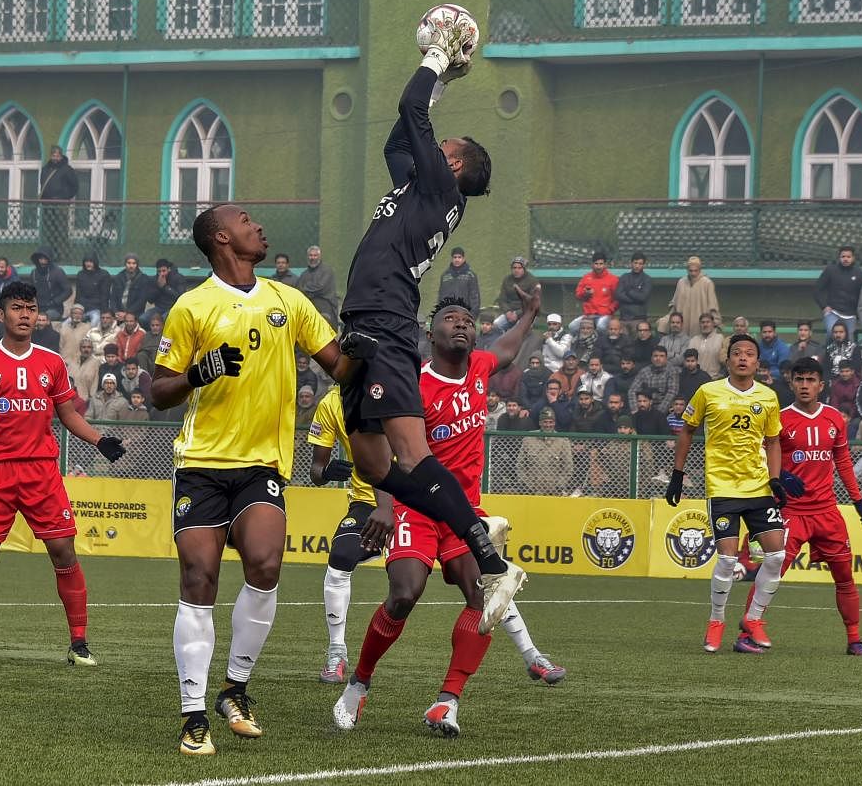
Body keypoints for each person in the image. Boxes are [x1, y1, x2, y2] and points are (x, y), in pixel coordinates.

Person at [150, 203, 360, 756]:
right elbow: (159, 391)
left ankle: (234, 689)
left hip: (262, 465)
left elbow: (341, 366)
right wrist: (200, 371)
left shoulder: (288, 300)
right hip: (201, 464)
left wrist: (373, 338)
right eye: (246, 221)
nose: (259, 227)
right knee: (200, 577)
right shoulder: (191, 307)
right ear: (222, 237)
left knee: (266, 565)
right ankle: (193, 713)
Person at [336, 47, 525, 638]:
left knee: (414, 458)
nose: (434, 147)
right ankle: (476, 529)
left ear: (455, 164)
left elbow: (409, 107)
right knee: (371, 462)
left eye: (444, 147)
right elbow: (399, 142)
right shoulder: (423, 188)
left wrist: (436, 60)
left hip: (388, 323)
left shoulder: (442, 187)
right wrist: (435, 93)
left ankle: (486, 556)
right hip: (367, 324)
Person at [333, 294, 564, 736]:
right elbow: (382, 451)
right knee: (405, 592)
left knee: (483, 601)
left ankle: (446, 701)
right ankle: (358, 684)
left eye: (468, 321)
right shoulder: (413, 384)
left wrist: (532, 312)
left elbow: (509, 347)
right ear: (429, 332)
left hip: (464, 511)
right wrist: (383, 506)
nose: (461, 325)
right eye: (450, 319)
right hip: (415, 506)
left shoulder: (480, 367)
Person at [0, 280, 125, 665]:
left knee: (63, 551)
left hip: (41, 473)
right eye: (17, 308)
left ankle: (79, 643)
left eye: (30, 309)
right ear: (1, 314)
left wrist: (99, 440)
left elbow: (67, 415)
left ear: (38, 315)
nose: (25, 315)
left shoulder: (51, 362)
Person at [733, 358, 862, 656]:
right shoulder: (779, 418)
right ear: (792, 383)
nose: (805, 385)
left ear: (821, 385)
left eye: (811, 380)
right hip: (791, 512)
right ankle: (746, 633)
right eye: (799, 379)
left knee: (845, 576)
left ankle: (854, 639)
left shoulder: (835, 418)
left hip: (827, 512)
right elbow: (757, 456)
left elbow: (844, 462)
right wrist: (781, 476)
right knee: (771, 571)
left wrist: (859, 500)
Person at [665, 333, 789, 653]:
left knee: (776, 555)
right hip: (722, 487)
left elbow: (773, 440)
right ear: (728, 360)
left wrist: (775, 480)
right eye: (737, 353)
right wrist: (677, 476)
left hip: (759, 487)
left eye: (749, 354)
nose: (743, 358)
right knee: (727, 559)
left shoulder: (769, 397)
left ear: (758, 363)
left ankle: (754, 618)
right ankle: (716, 620)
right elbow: (687, 430)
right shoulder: (708, 392)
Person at [307, 385, 392, 684]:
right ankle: (337, 652)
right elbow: (316, 471)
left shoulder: (401, 387)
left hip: (414, 500)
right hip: (366, 503)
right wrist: (327, 472)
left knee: (467, 566)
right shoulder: (331, 402)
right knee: (340, 558)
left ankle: (530, 651)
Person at [813, 245, 862, 337]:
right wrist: (824, 306)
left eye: (848, 257)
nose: (845, 259)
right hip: (833, 312)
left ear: (853, 258)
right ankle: (829, 352)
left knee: (848, 339)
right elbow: (818, 289)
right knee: (831, 333)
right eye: (843, 256)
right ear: (839, 258)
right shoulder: (830, 270)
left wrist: (858, 313)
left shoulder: (859, 273)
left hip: (850, 314)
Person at [38, 144, 78, 260]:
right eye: (53, 155)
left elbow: (75, 186)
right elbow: (42, 184)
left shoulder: (67, 170)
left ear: (61, 156)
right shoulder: (45, 169)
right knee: (49, 230)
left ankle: (63, 254)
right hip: (48, 205)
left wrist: (65, 197)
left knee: (61, 230)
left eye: (57, 155)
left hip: (61, 205)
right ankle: (50, 254)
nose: (55, 157)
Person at [666, 256, 720, 337]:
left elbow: (713, 305)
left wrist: (716, 321)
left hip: (699, 324)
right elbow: (675, 303)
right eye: (691, 271)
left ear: (700, 270)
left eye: (695, 271)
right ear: (687, 270)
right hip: (683, 323)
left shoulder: (707, 283)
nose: (693, 273)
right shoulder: (681, 282)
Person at [571, 251, 618, 334]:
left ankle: (602, 346)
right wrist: (585, 294)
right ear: (592, 264)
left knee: (601, 326)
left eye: (601, 264)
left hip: (605, 315)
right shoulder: (586, 278)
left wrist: (609, 310)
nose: (599, 266)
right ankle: (581, 345)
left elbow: (618, 299)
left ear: (605, 264)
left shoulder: (613, 279)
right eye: (596, 264)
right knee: (572, 326)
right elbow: (578, 295)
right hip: (588, 315)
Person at [296, 245, 340, 330]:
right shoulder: (304, 274)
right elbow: (298, 289)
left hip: (326, 307)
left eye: (315, 255)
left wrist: (306, 289)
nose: (313, 258)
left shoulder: (327, 270)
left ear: (319, 256)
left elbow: (320, 287)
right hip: (308, 308)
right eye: (310, 255)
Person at [492, 256, 540, 332]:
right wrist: (507, 312)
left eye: (519, 268)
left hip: (527, 313)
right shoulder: (507, 280)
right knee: (495, 325)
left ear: (524, 268)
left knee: (519, 329)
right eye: (514, 268)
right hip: (510, 312)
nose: (516, 270)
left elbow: (532, 303)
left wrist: (517, 313)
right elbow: (502, 299)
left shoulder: (532, 281)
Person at [628, 345, 678, 414]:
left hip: (663, 410)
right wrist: (635, 410)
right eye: (655, 356)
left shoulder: (671, 371)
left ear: (666, 358)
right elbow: (632, 391)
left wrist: (658, 413)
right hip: (645, 407)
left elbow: (672, 393)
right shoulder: (644, 371)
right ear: (651, 358)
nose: (658, 358)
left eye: (661, 356)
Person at [29, 249, 72, 321]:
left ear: (49, 259)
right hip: (38, 307)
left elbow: (68, 290)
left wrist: (55, 301)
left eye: (45, 259)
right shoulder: (34, 273)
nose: (42, 261)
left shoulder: (57, 272)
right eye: (40, 259)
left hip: (54, 308)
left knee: (41, 319)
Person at [437, 246, 480, 318]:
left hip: (465, 314)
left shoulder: (471, 276)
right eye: (455, 257)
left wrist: (472, 315)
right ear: (452, 259)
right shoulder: (445, 276)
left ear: (463, 258)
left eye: (459, 257)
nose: (457, 260)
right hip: (449, 314)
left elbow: (475, 297)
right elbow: (441, 297)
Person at [615, 252, 653, 333]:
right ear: (631, 263)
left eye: (640, 263)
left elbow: (643, 298)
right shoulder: (624, 277)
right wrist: (635, 298)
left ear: (643, 265)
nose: (637, 266)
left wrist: (628, 291)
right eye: (635, 263)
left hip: (639, 319)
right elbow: (618, 295)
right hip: (623, 319)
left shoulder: (647, 279)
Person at [74, 255, 112, 326]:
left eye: (91, 262)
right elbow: (78, 295)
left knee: (95, 321)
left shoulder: (104, 275)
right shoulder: (80, 274)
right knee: (66, 323)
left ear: (95, 262)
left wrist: (104, 313)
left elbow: (105, 296)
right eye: (86, 261)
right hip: (82, 308)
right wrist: (75, 308)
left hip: (96, 309)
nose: (88, 264)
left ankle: (90, 337)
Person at [687, 313, 724, 378]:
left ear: (713, 324)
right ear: (700, 325)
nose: (705, 324)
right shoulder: (693, 340)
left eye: (708, 322)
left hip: (714, 378)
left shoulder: (720, 338)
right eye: (703, 322)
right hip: (696, 378)